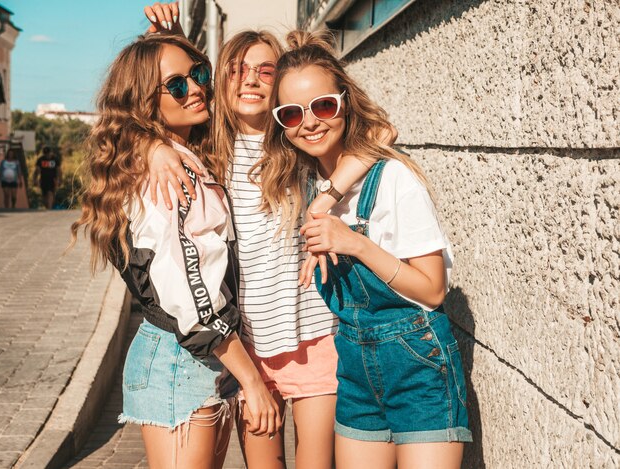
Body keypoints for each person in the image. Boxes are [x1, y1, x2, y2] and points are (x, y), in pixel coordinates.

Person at [140, 4, 394, 468]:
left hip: (315, 336)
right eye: (236, 70)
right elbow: (150, 114)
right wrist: (155, 147)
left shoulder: (299, 140)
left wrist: (323, 198)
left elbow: (380, 132)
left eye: (264, 70)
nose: (250, 79)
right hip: (248, 348)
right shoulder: (209, 151)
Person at [257, 30, 472, 469]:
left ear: (344, 102)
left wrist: (353, 242)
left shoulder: (393, 179)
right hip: (354, 370)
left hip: (419, 367)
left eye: (322, 105)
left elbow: (432, 291)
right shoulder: (308, 184)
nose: (310, 122)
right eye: (291, 114)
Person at [70, 32, 281, 469]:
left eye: (198, 75)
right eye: (178, 85)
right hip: (181, 360)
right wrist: (252, 382)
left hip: (195, 357)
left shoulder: (175, 157)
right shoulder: (171, 177)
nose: (198, 88)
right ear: (145, 101)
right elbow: (192, 298)